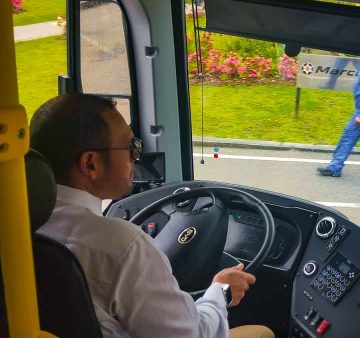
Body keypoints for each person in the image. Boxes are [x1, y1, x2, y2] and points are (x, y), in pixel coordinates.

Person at [30, 93, 274, 338]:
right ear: (90, 164)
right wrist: (220, 291)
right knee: (261, 333)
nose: (136, 156)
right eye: (131, 147)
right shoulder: (120, 245)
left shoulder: (22, 226)